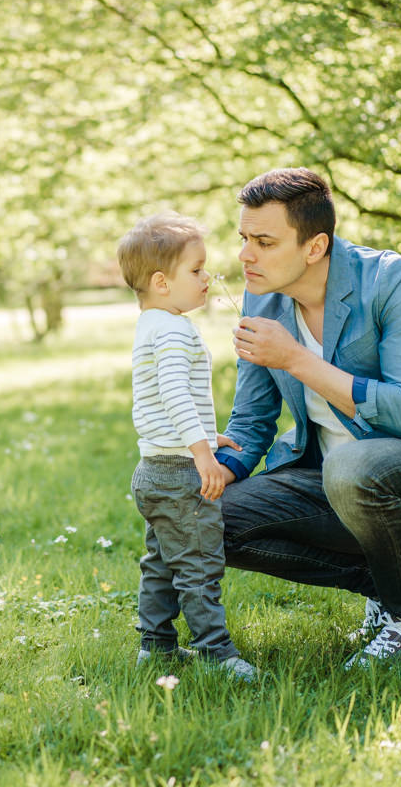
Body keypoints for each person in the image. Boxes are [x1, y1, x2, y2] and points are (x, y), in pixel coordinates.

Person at [213, 168, 401, 668]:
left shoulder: (395, 280)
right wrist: (217, 471)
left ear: (314, 246)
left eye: (263, 241)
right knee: (206, 519)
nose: (245, 255)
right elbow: (253, 420)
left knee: (351, 466)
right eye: (244, 238)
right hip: (333, 482)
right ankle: (390, 585)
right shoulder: (262, 297)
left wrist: (296, 359)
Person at [116, 212, 257, 681]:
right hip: (179, 473)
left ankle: (154, 647)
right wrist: (202, 454)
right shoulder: (174, 330)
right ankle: (217, 653)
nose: (208, 279)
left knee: (161, 563)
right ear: (161, 281)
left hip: (153, 468)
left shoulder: (151, 324)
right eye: (196, 271)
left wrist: (205, 432)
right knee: (198, 566)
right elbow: (176, 394)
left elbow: (163, 398)